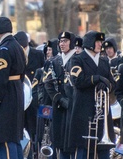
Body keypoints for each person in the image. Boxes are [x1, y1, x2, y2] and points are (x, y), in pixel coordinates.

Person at [67, 30, 114, 159]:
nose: (101, 45)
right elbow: (77, 80)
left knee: (103, 151)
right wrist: (96, 78)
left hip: (101, 113)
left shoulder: (104, 61)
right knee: (82, 149)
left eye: (101, 42)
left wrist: (106, 85)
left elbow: (112, 83)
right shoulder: (77, 59)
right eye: (98, 42)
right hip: (83, 110)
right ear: (89, 43)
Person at [0, 17, 26, 159]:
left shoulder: (3, 49)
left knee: (3, 139)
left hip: (6, 96)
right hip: (16, 92)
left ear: (0, 30)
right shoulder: (17, 46)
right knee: (14, 139)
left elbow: (0, 79)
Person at [44, 31, 76, 159]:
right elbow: (48, 83)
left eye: (65, 41)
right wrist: (59, 99)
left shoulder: (78, 59)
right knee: (60, 142)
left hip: (75, 106)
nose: (62, 44)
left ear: (72, 42)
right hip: (59, 106)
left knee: (73, 141)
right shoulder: (54, 61)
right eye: (61, 41)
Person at [14, 31, 45, 158]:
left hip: (33, 98)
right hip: (18, 97)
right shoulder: (14, 54)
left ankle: (35, 152)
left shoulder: (37, 55)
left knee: (33, 128)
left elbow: (42, 75)